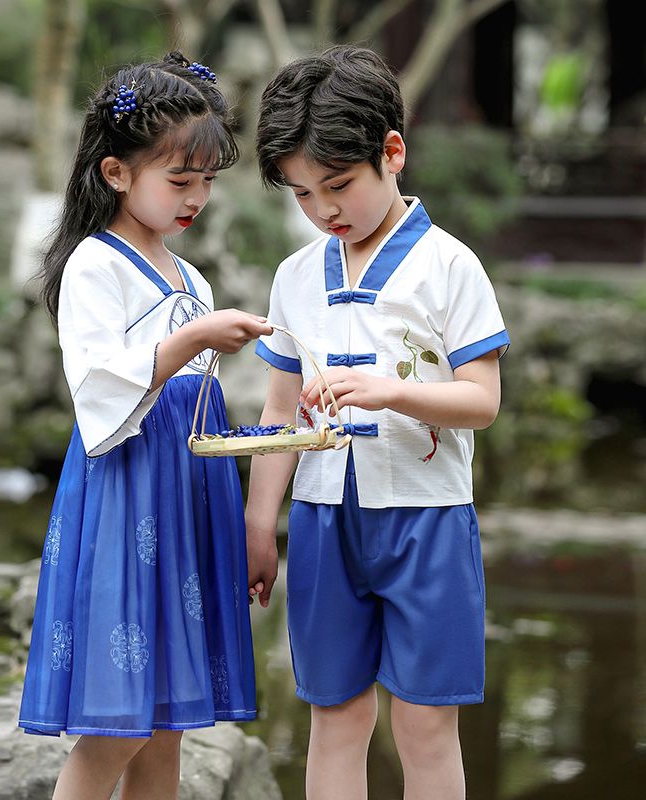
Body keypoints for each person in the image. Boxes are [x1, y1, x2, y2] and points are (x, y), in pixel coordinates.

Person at [246, 45, 510, 800]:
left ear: (392, 153)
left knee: (425, 724)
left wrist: (393, 393)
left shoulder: (450, 266)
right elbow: (276, 409)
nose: (323, 210)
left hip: (426, 520)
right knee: (336, 717)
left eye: (337, 185)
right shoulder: (296, 277)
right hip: (324, 522)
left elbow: (481, 400)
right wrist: (261, 524)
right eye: (301, 194)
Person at [18, 52, 272, 800]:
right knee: (118, 726)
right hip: (130, 489)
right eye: (179, 181)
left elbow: (198, 400)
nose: (197, 198)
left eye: (207, 183)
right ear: (116, 172)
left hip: (186, 490)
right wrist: (195, 339)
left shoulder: (190, 276)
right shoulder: (94, 264)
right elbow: (98, 385)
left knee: (166, 726)